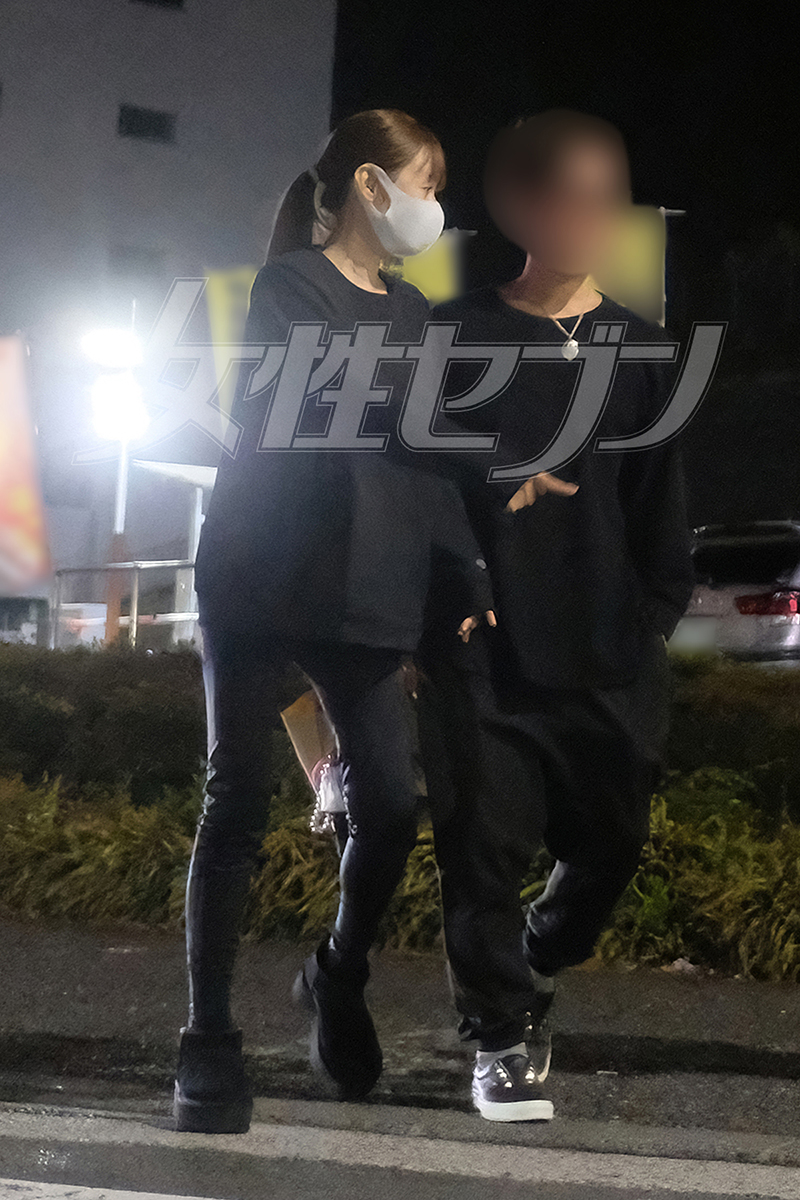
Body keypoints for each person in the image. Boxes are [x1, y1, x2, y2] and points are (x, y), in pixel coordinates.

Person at [173, 107, 572, 1135]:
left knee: (390, 807)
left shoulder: (412, 312)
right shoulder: (287, 290)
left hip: (363, 588)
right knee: (235, 802)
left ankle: (337, 971)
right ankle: (207, 1042)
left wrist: (469, 576)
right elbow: (370, 413)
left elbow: (426, 461)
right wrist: (491, 460)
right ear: (368, 184)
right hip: (261, 575)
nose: (434, 205)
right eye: (426, 182)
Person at [415, 109, 696, 1123]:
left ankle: (539, 954)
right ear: (522, 207)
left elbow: (658, 502)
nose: (587, 217)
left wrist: (653, 613)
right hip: (484, 650)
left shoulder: (645, 349)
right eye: (566, 197)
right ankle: (497, 1034)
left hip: (610, 648)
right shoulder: (453, 335)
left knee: (611, 842)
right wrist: (442, 609)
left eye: (603, 199)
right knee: (480, 851)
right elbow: (419, 484)